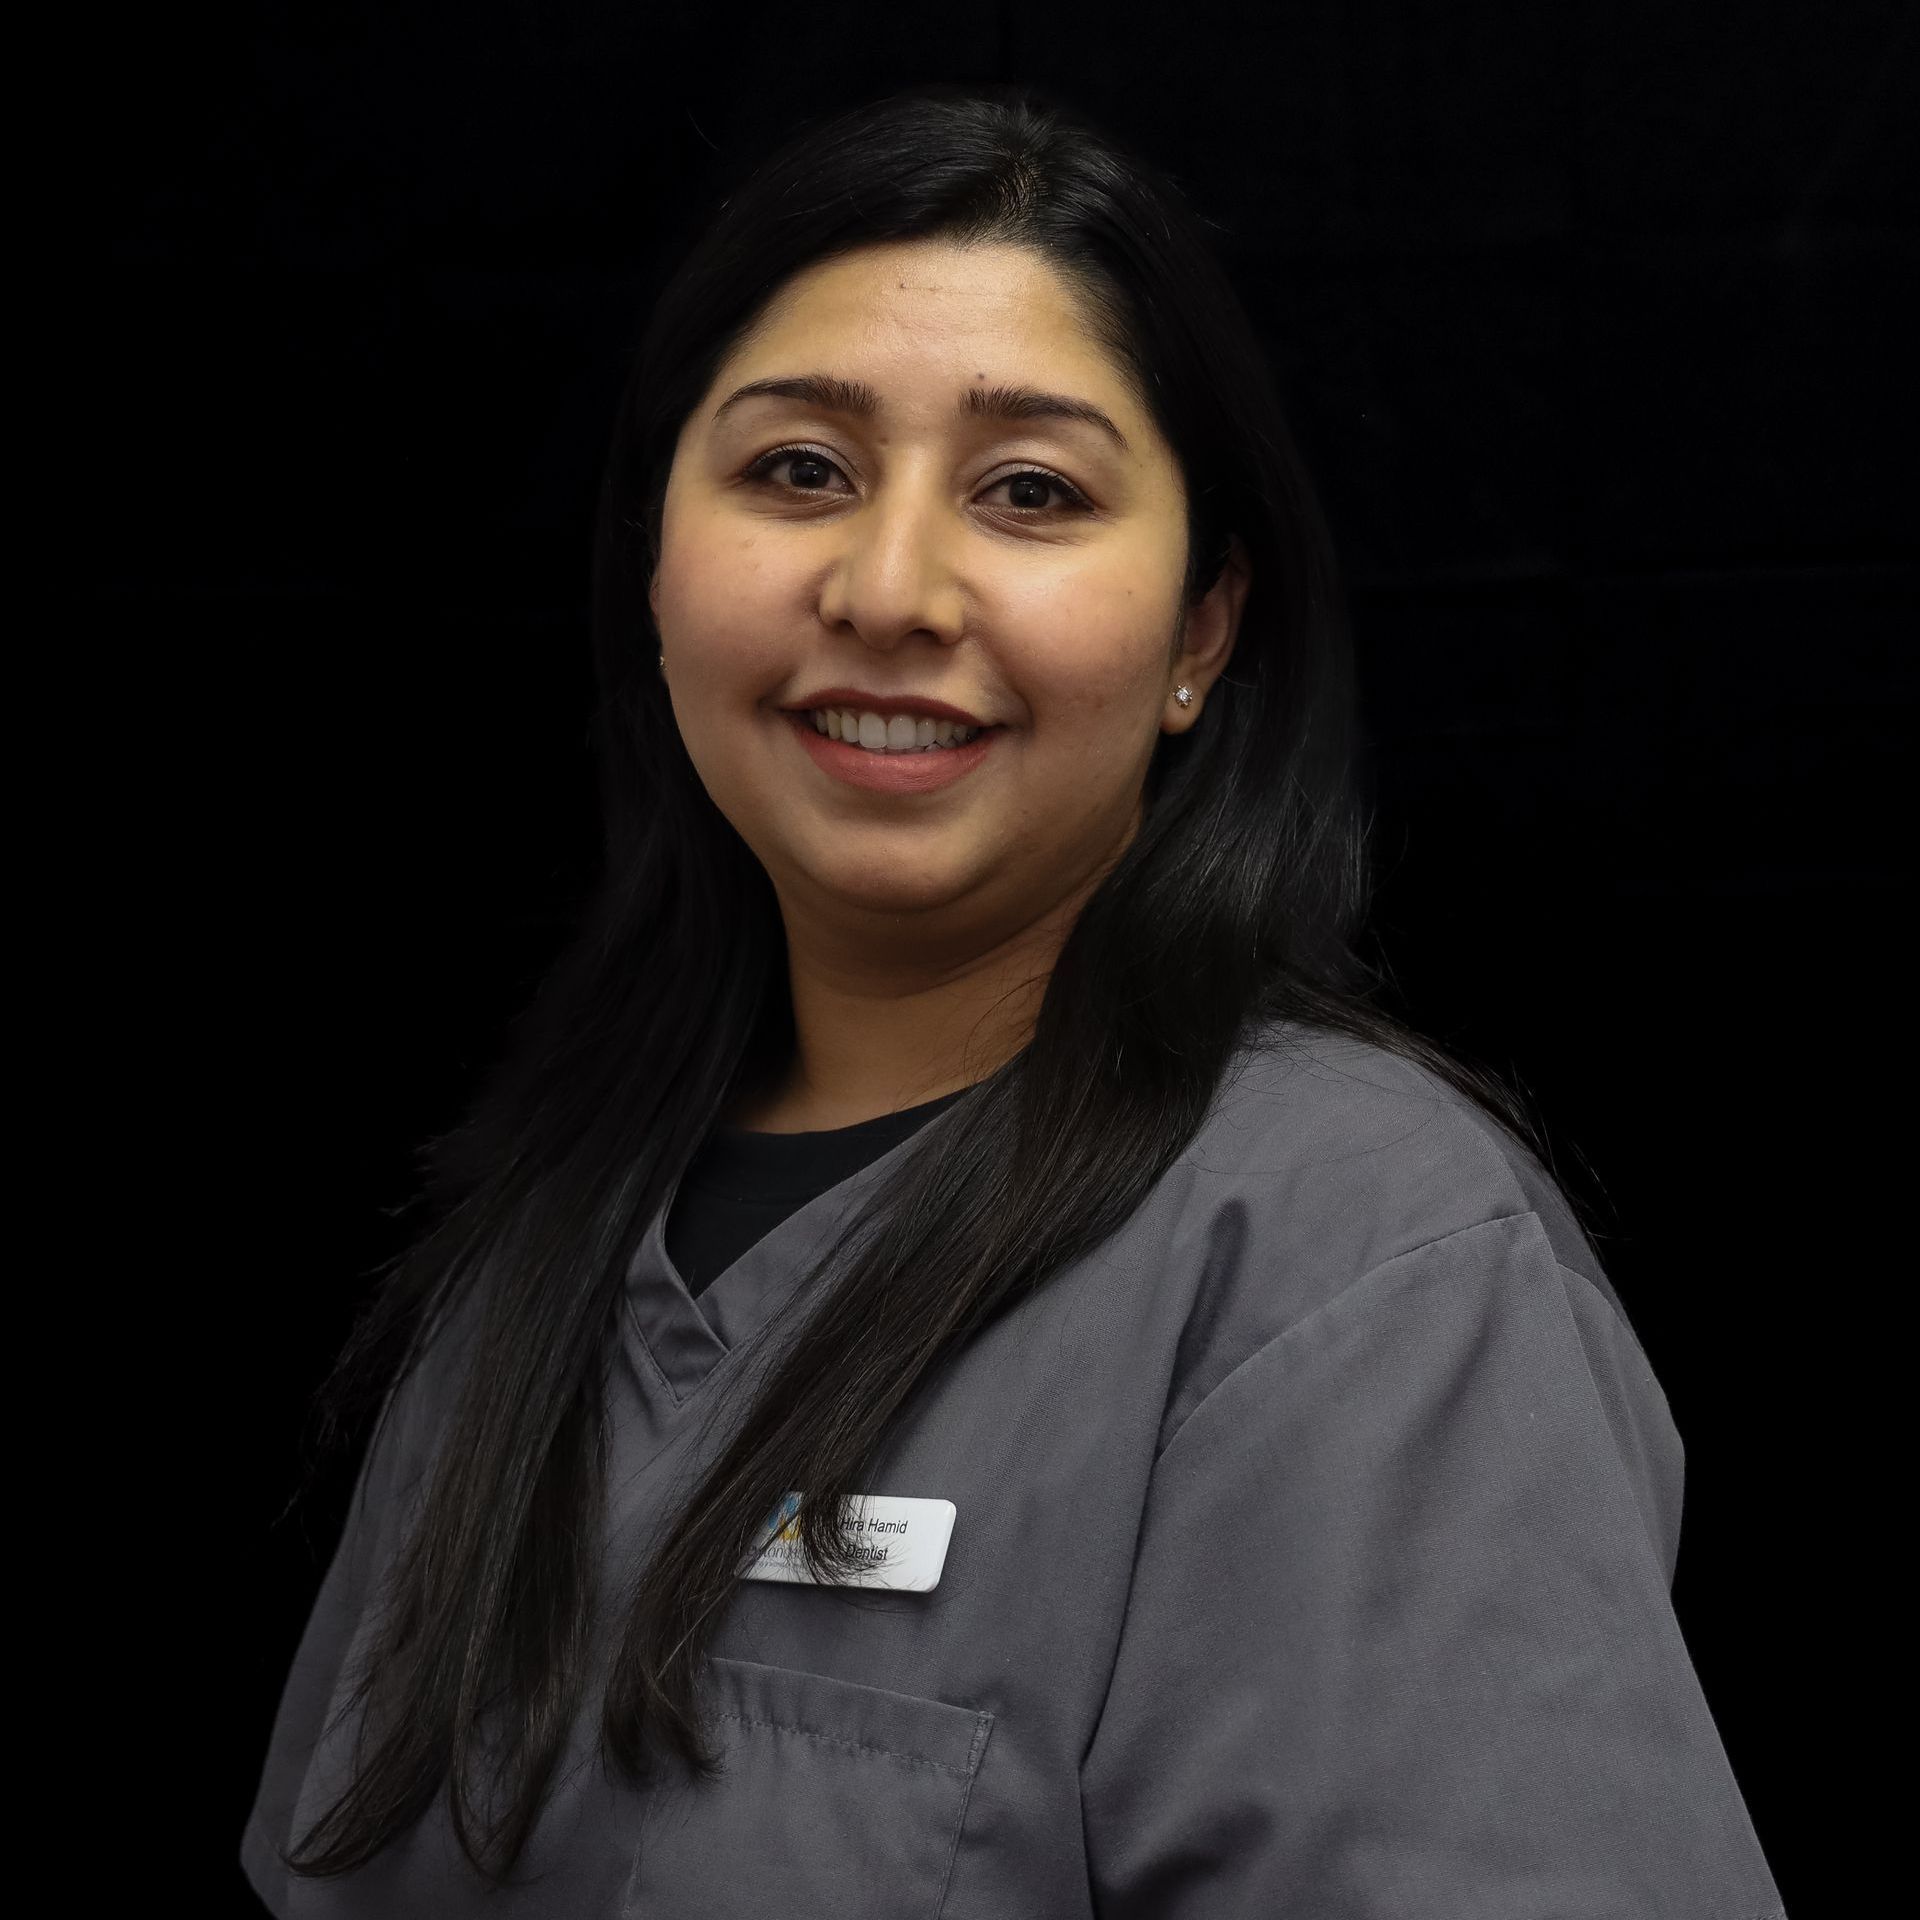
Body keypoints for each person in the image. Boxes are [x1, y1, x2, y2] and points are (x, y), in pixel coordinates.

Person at [241, 80, 1788, 1918]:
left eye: (1030, 493)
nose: (889, 590)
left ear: (1202, 633)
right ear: (660, 564)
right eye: (797, 469)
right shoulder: (539, 1254)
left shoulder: (1355, 1264)